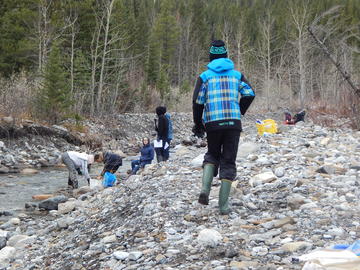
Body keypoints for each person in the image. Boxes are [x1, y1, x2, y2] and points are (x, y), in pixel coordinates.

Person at [192, 40, 255, 215]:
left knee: (212, 154)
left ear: (211, 57)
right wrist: (239, 110)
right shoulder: (237, 75)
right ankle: (223, 206)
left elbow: (197, 102)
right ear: (226, 56)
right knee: (228, 161)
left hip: (212, 123)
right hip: (233, 123)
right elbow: (250, 93)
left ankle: (205, 190)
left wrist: (198, 124)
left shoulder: (205, 77)